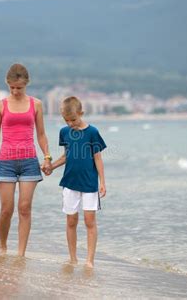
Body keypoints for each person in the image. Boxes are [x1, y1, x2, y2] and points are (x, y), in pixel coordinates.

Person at [0, 63, 52, 256]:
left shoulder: (36, 104)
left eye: (19, 87)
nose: (15, 91)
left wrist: (47, 158)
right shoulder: (0, 105)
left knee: (24, 208)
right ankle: (3, 246)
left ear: (26, 84)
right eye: (12, 87)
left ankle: (21, 253)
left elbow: (41, 135)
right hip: (5, 163)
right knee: (7, 209)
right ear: (8, 84)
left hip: (29, 162)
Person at [47, 96, 107, 268]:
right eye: (67, 121)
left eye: (73, 119)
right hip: (70, 182)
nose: (70, 123)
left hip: (89, 184)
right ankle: (73, 258)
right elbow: (66, 156)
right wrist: (51, 166)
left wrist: (102, 182)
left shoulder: (92, 132)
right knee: (71, 221)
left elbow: (98, 158)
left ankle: (89, 260)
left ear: (81, 113)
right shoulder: (64, 132)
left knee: (90, 221)